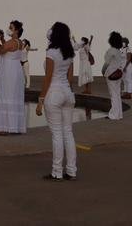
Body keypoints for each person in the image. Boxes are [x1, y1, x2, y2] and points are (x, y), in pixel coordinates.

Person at [36, 22, 78, 181]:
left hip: (54, 93)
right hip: (67, 93)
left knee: (57, 134)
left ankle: (56, 171)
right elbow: (70, 77)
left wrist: (40, 100)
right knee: (68, 133)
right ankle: (71, 170)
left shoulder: (51, 52)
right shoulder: (69, 52)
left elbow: (48, 78)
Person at [0, 21, 26, 134]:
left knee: (6, 94)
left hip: (8, 71)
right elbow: (8, 50)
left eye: (11, 28)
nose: (9, 29)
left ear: (16, 30)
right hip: (16, 70)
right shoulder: (19, 42)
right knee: (14, 95)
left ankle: (5, 128)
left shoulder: (11, 42)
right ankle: (15, 126)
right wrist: (2, 41)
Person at [101, 31, 124, 121]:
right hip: (118, 73)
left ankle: (113, 115)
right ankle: (119, 114)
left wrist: (103, 71)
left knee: (113, 94)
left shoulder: (111, 50)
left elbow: (107, 62)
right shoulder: (119, 51)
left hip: (111, 73)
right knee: (117, 93)